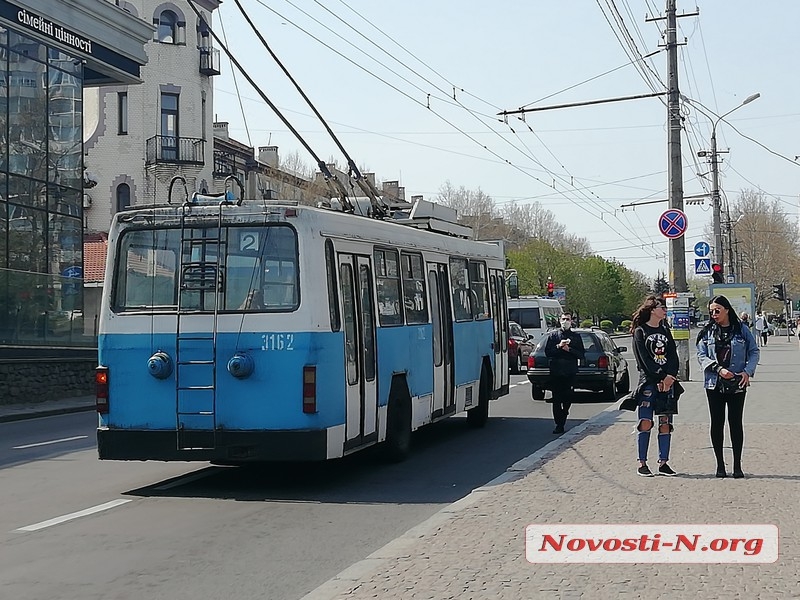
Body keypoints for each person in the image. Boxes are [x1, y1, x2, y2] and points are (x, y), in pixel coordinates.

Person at [696, 295, 759, 478]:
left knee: (735, 422)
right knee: (717, 422)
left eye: (717, 310)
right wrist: (717, 368)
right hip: (714, 382)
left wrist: (747, 372)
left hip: (737, 381)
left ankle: (737, 465)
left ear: (727, 310)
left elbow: (754, 351)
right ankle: (720, 465)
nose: (714, 314)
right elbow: (701, 355)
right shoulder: (707, 332)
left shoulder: (741, 330)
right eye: (711, 311)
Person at [629, 296, 679, 477]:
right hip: (649, 383)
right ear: (652, 310)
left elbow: (673, 355)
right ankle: (642, 462)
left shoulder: (665, 330)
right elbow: (643, 361)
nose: (664, 310)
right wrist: (660, 376)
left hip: (667, 384)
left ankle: (664, 462)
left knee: (665, 423)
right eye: (661, 307)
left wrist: (670, 377)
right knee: (645, 422)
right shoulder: (640, 332)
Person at [544, 311, 585, 434]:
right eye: (563, 319)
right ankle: (559, 424)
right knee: (556, 399)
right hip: (556, 372)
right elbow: (548, 352)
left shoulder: (576, 337)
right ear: (559, 320)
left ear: (571, 321)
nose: (565, 321)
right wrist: (558, 346)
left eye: (567, 319)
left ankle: (565, 411)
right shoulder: (553, 336)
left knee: (568, 397)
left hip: (570, 372)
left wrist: (569, 349)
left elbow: (581, 354)